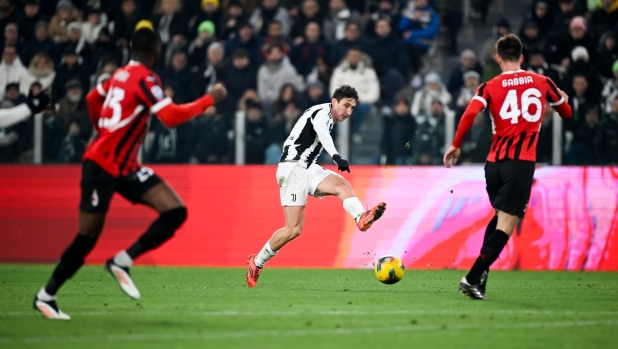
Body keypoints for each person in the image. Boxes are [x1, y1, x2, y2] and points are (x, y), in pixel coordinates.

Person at [33, 28, 227, 320]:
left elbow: (91, 99)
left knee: (175, 210)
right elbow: (170, 117)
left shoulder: (119, 75)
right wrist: (209, 99)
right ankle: (46, 296)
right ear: (155, 52)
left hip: (124, 166)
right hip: (100, 166)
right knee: (87, 237)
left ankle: (121, 261)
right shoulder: (145, 79)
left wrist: (104, 131)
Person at [443, 34, 572, 300]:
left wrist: (456, 144)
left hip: (493, 166)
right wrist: (563, 99)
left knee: (499, 217)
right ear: (522, 58)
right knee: (506, 226)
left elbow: (469, 113)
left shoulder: (489, 85)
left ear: (498, 58)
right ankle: (471, 277)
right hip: (520, 163)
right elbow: (567, 113)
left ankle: (478, 280)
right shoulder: (543, 82)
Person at [246, 85, 387, 288]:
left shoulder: (326, 115)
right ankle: (256, 262)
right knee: (293, 230)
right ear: (334, 101)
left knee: (342, 184)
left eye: (352, 108)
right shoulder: (322, 113)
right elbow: (322, 133)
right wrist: (337, 156)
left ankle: (361, 218)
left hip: (308, 168)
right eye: (346, 105)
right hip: (292, 168)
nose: (348, 111)